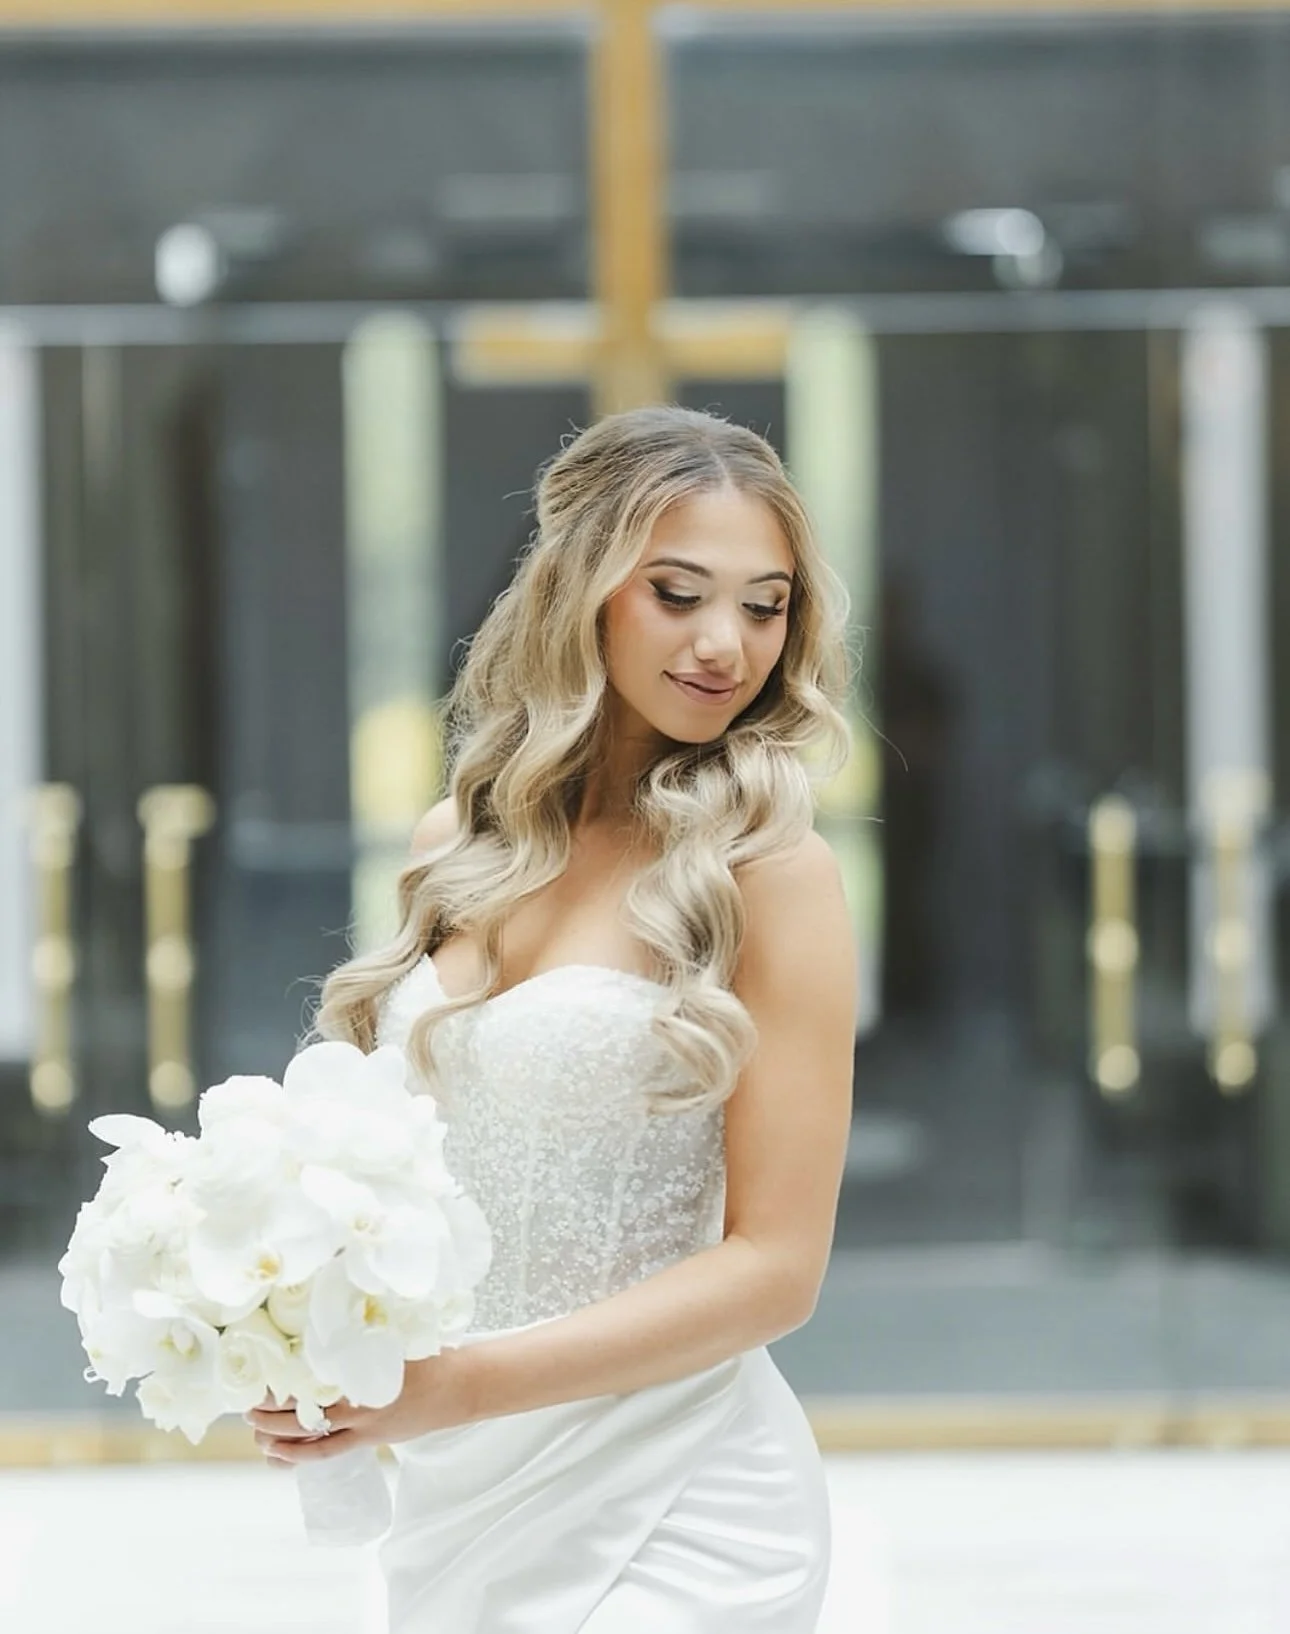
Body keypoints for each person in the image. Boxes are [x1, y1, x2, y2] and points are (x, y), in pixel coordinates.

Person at [248, 405, 859, 1631]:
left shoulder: (771, 869)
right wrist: (295, 1321)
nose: (726, 643)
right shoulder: (457, 846)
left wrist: (457, 1387)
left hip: (682, 1495)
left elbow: (777, 1270)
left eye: (765, 602)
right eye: (679, 592)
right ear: (584, 587)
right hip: (460, 1501)